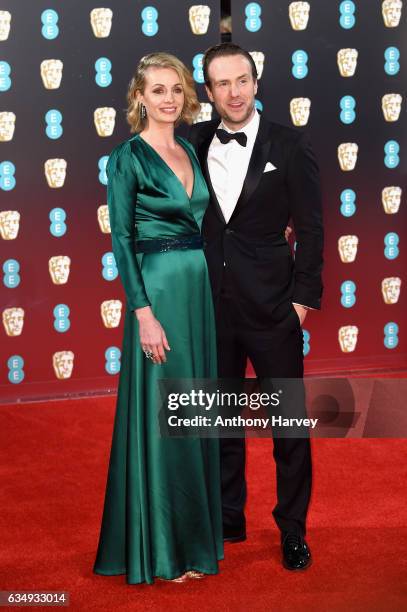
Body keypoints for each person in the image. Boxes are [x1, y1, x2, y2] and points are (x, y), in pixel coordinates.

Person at [188, 43, 324, 571]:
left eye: (241, 79)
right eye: (222, 84)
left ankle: (293, 529)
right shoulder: (193, 141)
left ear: (256, 80)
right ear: (209, 92)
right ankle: (228, 518)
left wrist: (302, 303)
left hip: (274, 311)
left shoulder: (289, 144)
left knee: (288, 426)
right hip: (211, 310)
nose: (234, 92)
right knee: (221, 420)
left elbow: (311, 229)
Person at [93, 53, 223, 585]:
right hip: (159, 291)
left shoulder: (190, 148)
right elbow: (121, 239)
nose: (168, 98)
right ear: (139, 98)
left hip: (197, 291)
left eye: (176, 89)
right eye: (158, 90)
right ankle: (163, 549)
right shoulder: (127, 157)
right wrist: (143, 313)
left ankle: (195, 542)